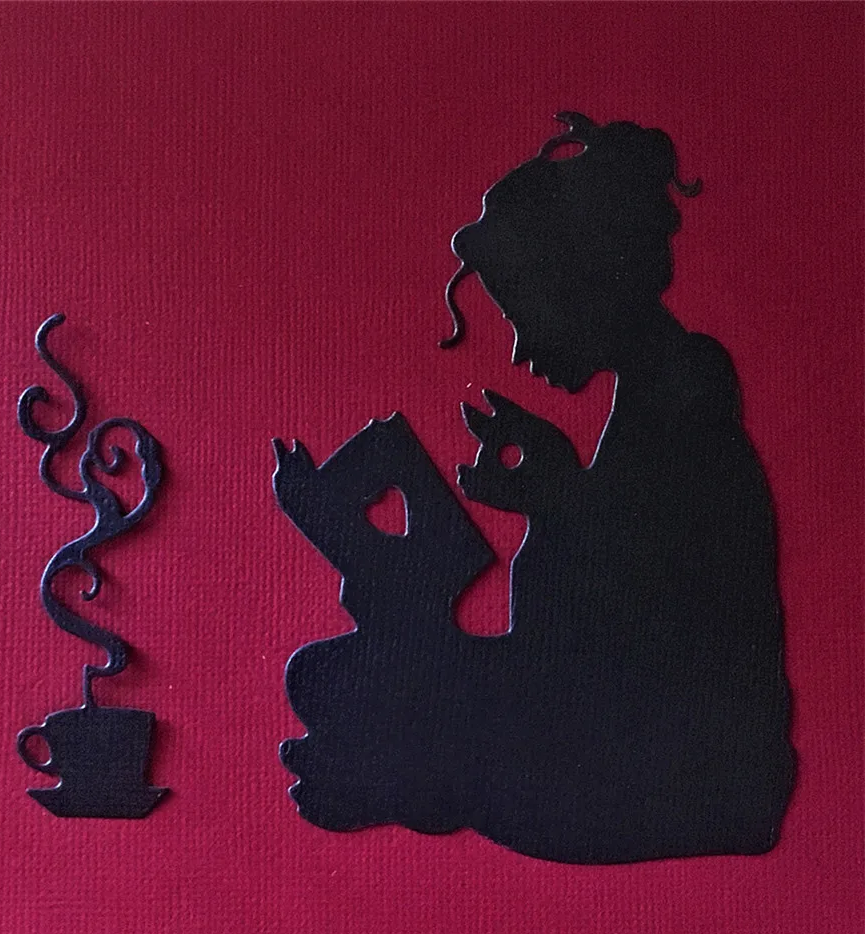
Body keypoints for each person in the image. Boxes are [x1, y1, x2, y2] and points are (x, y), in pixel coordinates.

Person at [274, 113, 795, 863]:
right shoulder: (660, 396)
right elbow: (612, 592)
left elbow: (646, 629)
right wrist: (555, 504)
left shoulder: (686, 397)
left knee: (360, 680)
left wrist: (560, 508)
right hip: (634, 745)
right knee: (340, 674)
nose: (521, 349)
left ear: (584, 285)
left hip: (674, 780)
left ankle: (401, 769)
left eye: (524, 317)